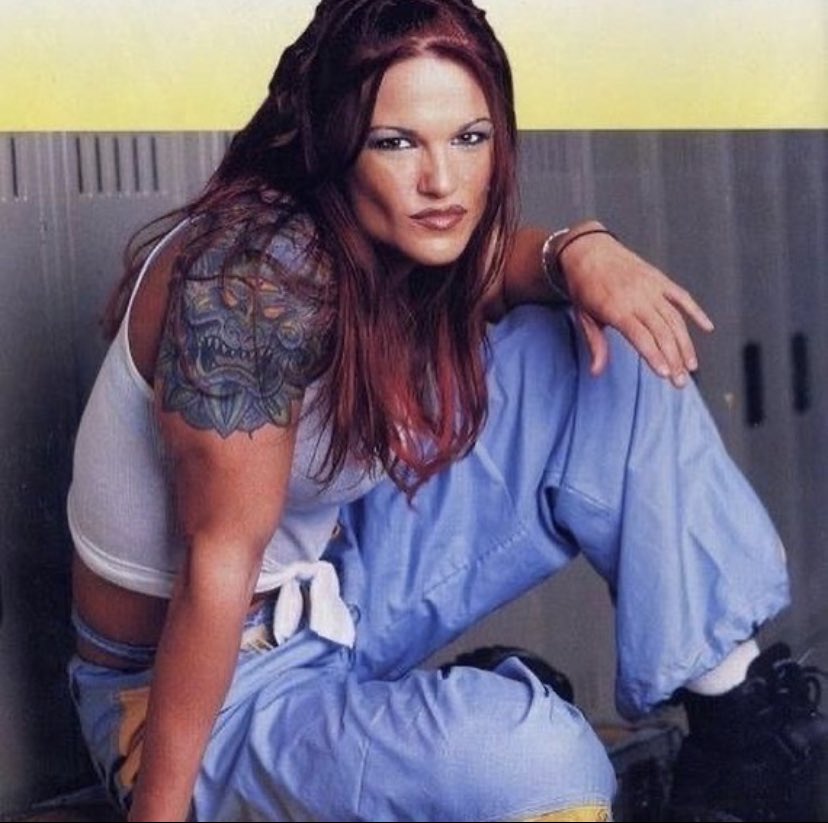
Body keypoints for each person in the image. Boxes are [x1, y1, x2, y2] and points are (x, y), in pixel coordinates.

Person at [65, 1, 826, 821]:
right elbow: (216, 570)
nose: (443, 180)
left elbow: (497, 263)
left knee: (611, 356)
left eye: (470, 137)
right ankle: (462, 731)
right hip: (195, 699)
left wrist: (579, 251)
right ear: (332, 141)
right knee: (549, 765)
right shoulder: (248, 287)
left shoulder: (388, 228)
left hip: (331, 595)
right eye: (396, 143)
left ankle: (736, 726)